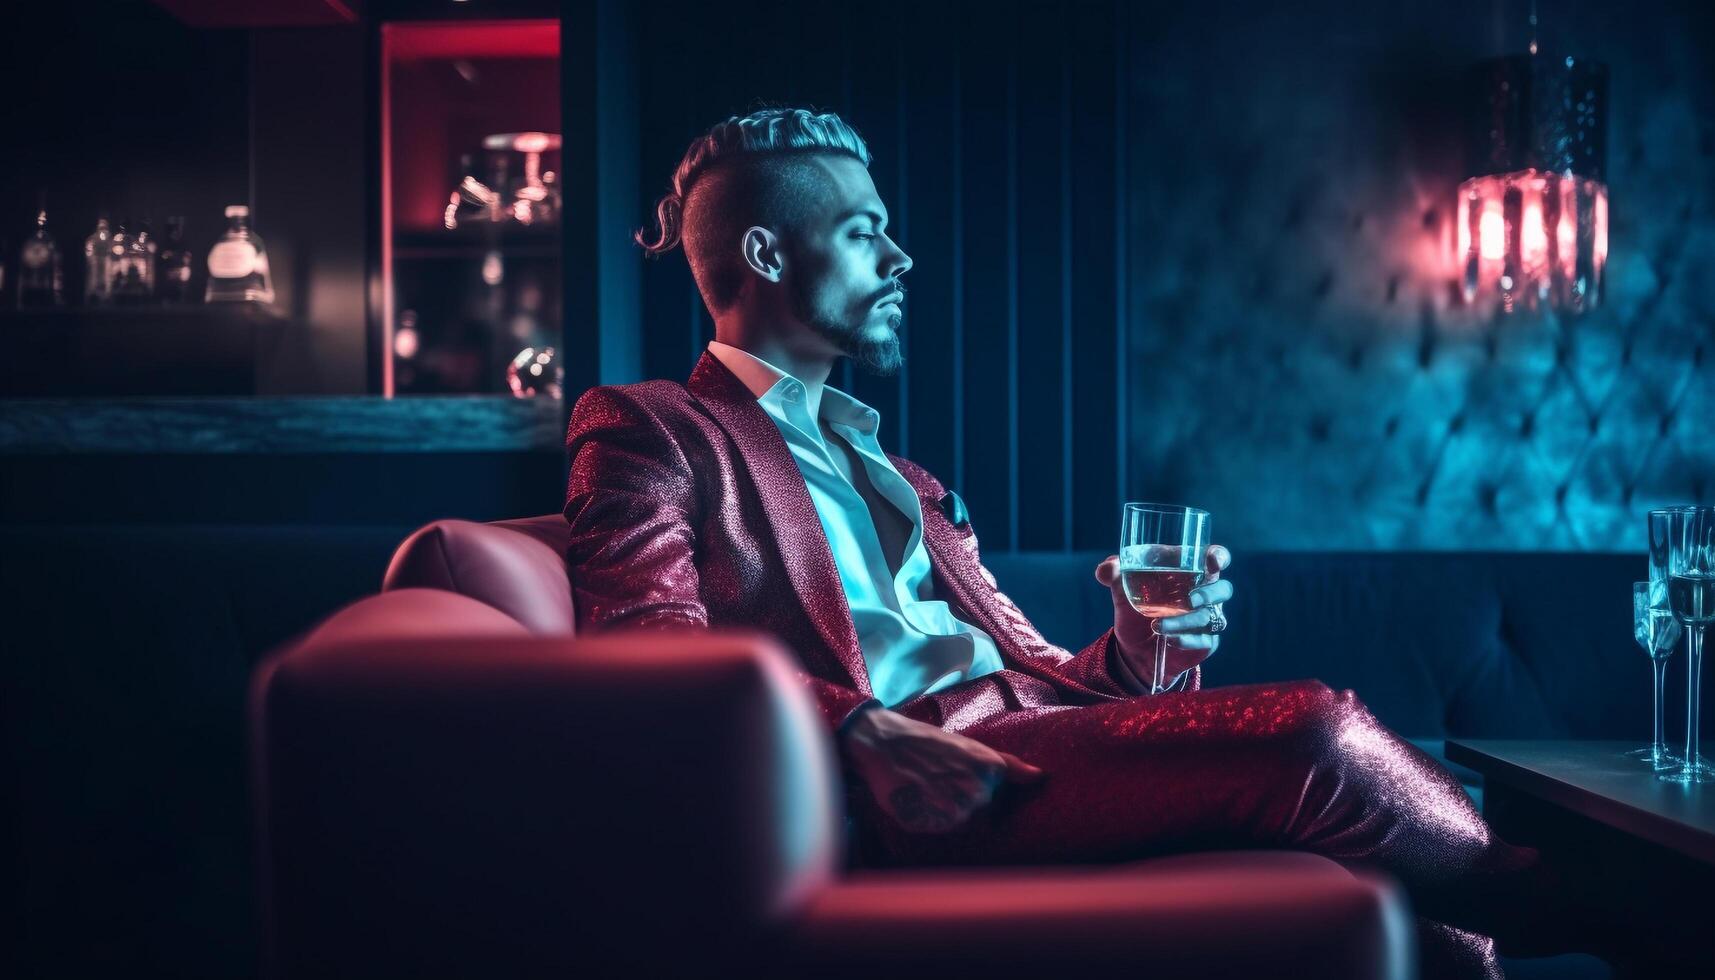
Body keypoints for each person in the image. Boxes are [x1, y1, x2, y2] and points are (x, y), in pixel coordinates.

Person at [562, 107, 1593, 978]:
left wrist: (1144, 645)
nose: (899, 254)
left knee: (1414, 856)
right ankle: (1614, 921)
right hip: (933, 784)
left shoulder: (908, 477)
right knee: (1314, 728)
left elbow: (1046, 676)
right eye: (863, 230)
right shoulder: (649, 426)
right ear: (765, 252)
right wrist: (852, 729)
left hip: (1030, 741)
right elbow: (644, 655)